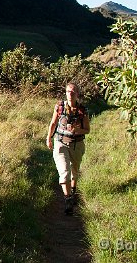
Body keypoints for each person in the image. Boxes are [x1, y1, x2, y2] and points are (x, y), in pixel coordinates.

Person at [45, 82, 90, 215]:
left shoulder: (83, 110)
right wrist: (48, 138)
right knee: (64, 171)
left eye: (73, 91)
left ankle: (73, 190)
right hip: (60, 142)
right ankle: (68, 199)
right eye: (68, 91)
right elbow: (53, 123)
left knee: (74, 171)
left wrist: (78, 129)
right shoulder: (59, 106)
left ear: (77, 94)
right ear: (65, 93)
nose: (70, 94)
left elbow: (87, 130)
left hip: (77, 144)